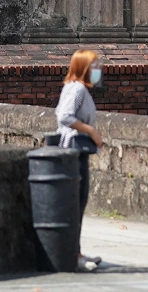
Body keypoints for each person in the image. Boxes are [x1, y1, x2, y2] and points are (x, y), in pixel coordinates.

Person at [55, 49, 105, 272]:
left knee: (79, 201)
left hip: (76, 150)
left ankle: (77, 251)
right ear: (84, 68)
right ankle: (73, 254)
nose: (98, 70)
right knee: (77, 200)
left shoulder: (78, 88)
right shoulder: (77, 89)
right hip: (74, 148)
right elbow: (64, 116)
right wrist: (91, 131)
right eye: (94, 66)